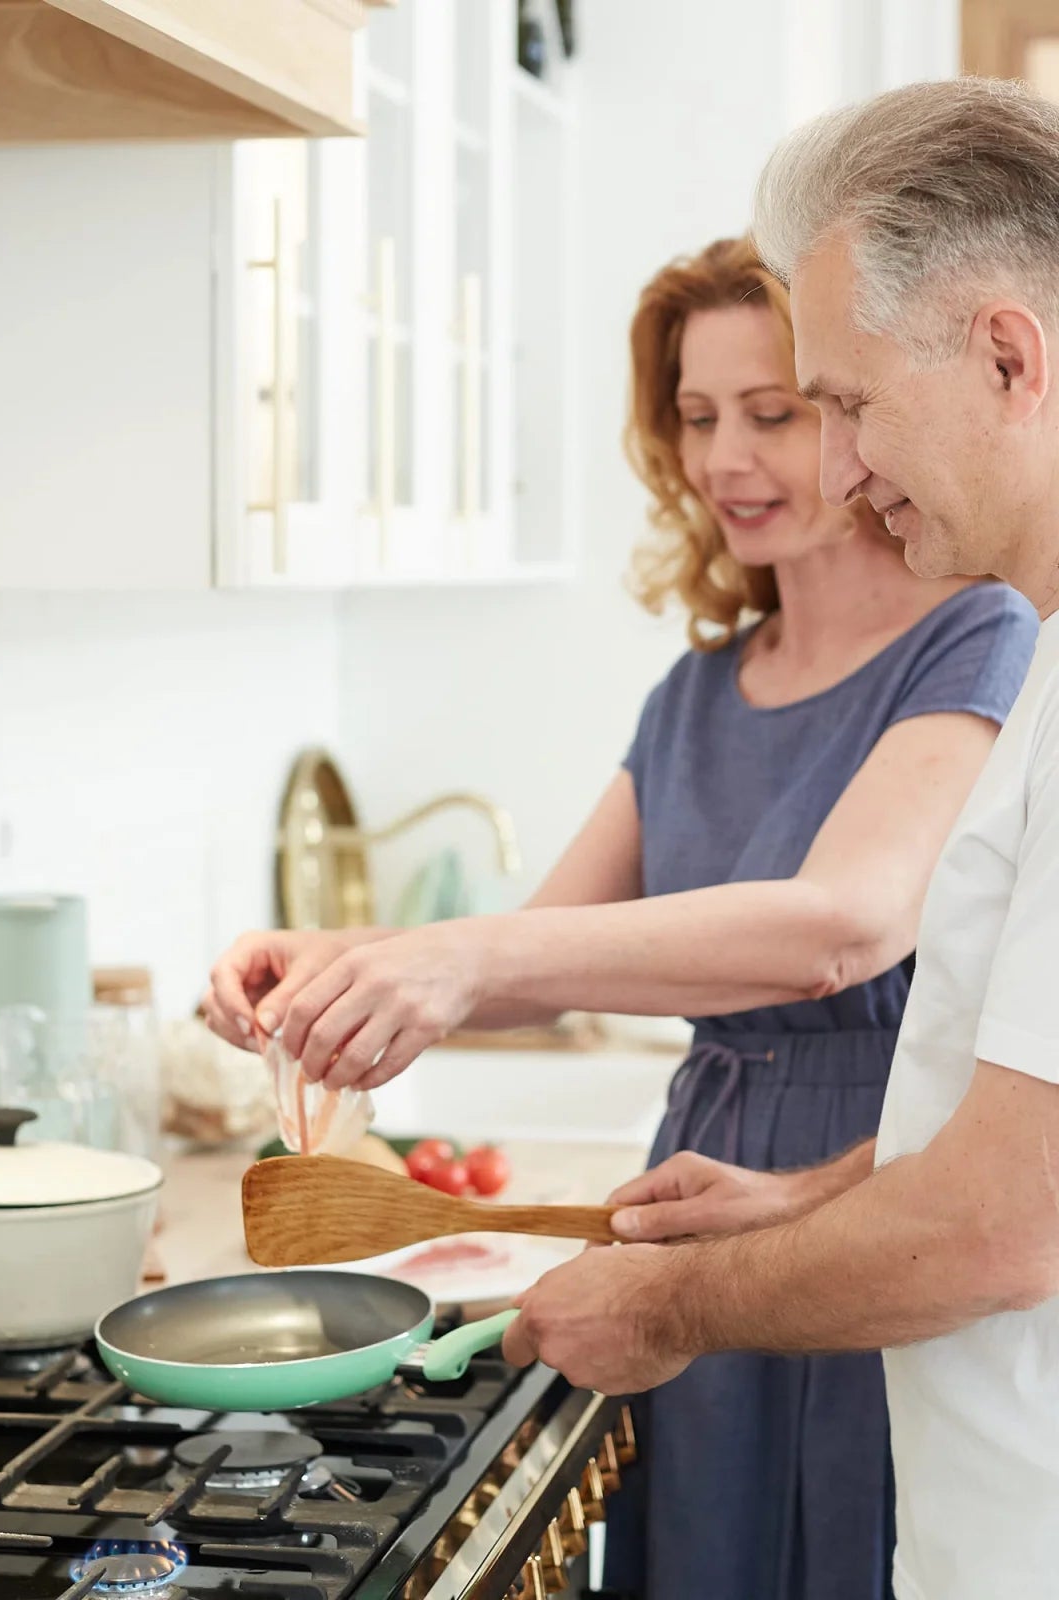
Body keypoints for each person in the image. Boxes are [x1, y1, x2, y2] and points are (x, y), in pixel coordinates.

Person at [204, 234, 1038, 1600]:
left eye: (772, 412)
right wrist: (338, 965)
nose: (726, 460)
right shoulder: (698, 693)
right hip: (687, 1200)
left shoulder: (979, 637)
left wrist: (453, 961)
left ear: (850, 411)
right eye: (697, 419)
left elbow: (841, 925)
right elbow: (541, 963)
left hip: (870, 1194)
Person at [460, 78, 1059, 1600]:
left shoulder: (986, 653)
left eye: (840, 403)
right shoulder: (1044, 665)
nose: (835, 469)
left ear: (1007, 354)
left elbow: (1004, 1215)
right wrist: (806, 1194)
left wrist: (676, 1312)